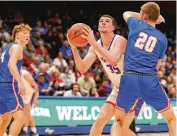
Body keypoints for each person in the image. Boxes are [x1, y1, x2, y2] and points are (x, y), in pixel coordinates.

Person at [67, 14, 145, 136]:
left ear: (113, 27)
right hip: (119, 88)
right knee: (100, 121)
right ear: (97, 27)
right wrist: (74, 47)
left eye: (107, 21)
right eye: (101, 21)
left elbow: (113, 60)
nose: (103, 22)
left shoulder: (120, 40)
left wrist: (93, 42)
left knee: (120, 126)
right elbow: (82, 68)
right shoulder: (95, 46)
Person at [115, 2, 176, 136]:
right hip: (149, 79)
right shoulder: (163, 39)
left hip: (129, 77)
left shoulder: (136, 24)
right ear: (156, 17)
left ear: (143, 15)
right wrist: (154, 17)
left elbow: (126, 13)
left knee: (119, 121)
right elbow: (157, 66)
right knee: (171, 119)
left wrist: (148, 17)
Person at [0, 24, 31, 136]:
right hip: (9, 85)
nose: (27, 35)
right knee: (21, 117)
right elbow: (11, 65)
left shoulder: (7, 47)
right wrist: (20, 81)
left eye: (28, 33)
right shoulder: (18, 47)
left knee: (5, 118)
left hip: (1, 86)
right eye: (24, 33)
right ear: (17, 35)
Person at [20, 68, 39, 136]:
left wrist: (35, 98)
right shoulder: (13, 75)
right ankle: (32, 131)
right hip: (24, 94)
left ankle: (27, 130)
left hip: (31, 94)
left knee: (27, 112)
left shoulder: (25, 74)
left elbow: (35, 86)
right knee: (26, 113)